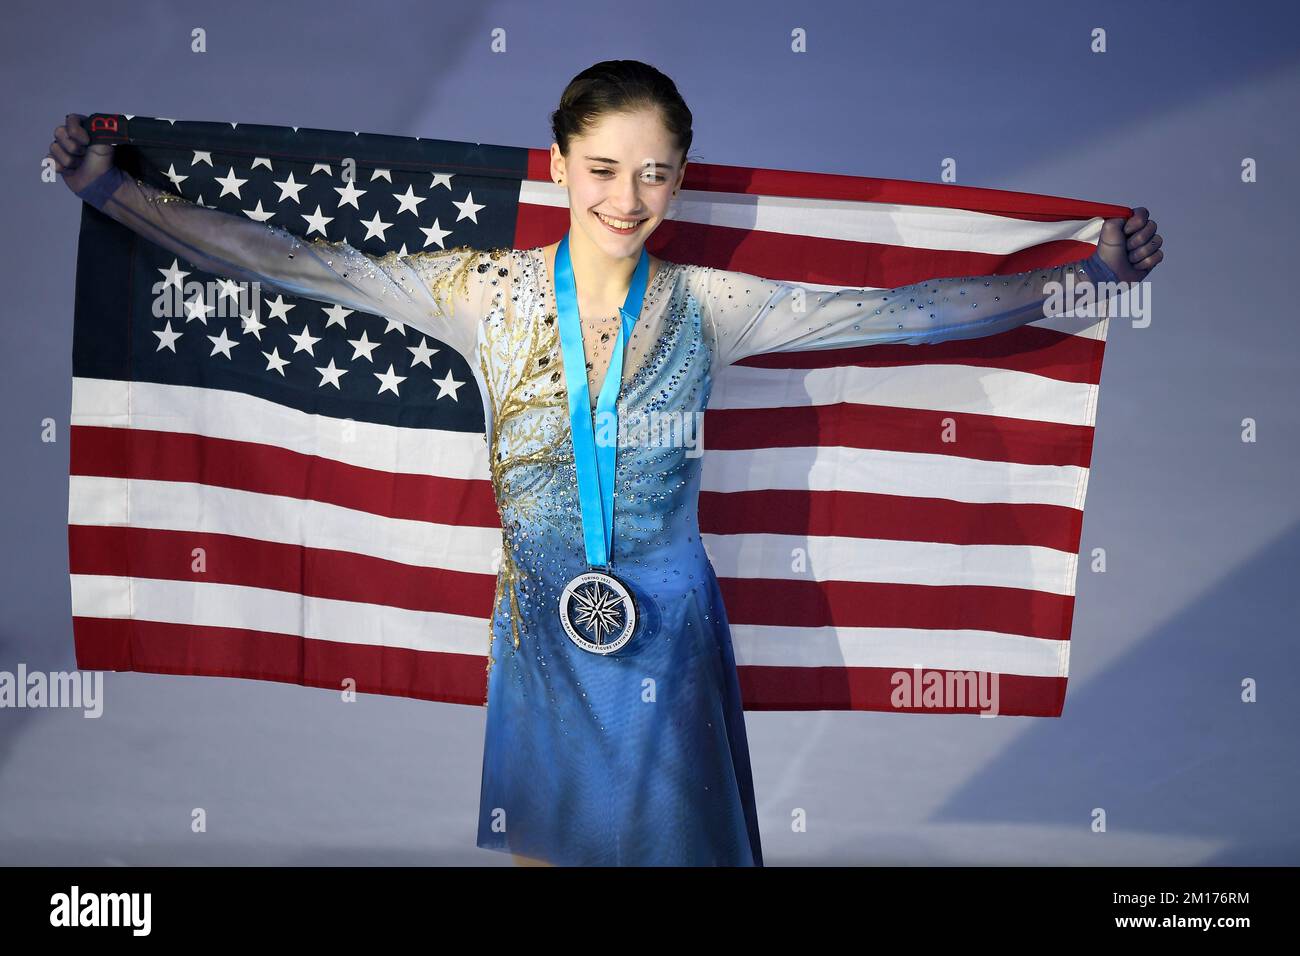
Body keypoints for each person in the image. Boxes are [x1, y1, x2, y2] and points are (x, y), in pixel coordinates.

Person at [50, 59, 1163, 868]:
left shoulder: (712, 305)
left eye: (655, 176)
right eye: (603, 169)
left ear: (680, 179)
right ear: (559, 160)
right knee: (549, 854)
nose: (626, 201)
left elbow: (904, 312)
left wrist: (1085, 278)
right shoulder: (479, 292)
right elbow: (295, 262)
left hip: (667, 621)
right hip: (538, 615)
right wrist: (119, 196)